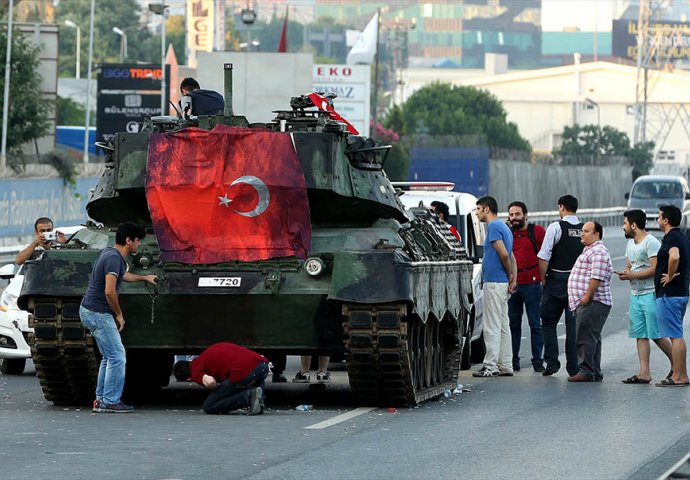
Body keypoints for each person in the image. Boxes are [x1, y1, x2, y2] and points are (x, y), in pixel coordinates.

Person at [79, 223, 158, 413]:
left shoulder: (111, 254)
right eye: (137, 240)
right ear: (128, 240)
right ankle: (111, 401)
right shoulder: (115, 259)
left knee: (108, 357)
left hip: (91, 311)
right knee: (117, 357)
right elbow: (109, 291)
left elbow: (123, 276)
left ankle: (102, 400)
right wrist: (119, 314)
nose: (139, 244)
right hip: (98, 313)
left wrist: (144, 277)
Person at [617, 209, 672, 384]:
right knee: (640, 334)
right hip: (635, 294)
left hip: (650, 293)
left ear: (633, 225)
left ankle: (677, 365)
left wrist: (632, 275)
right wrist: (626, 273)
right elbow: (630, 266)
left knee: (655, 333)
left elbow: (656, 268)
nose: (623, 227)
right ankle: (644, 372)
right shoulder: (630, 244)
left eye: (625, 223)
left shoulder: (651, 242)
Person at [538, 194, 584, 377]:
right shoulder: (585, 229)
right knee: (573, 327)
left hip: (557, 281)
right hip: (578, 283)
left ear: (562, 207)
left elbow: (544, 256)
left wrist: (543, 278)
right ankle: (574, 367)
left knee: (548, 322)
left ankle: (552, 361)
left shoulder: (556, 227)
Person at [472, 196, 516, 377]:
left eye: (478, 209)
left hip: (495, 281)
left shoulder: (494, 227)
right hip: (502, 282)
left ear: (487, 209)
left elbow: (504, 254)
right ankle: (505, 365)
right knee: (503, 325)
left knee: (491, 325)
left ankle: (490, 366)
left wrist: (508, 274)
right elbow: (512, 256)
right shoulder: (505, 227)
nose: (477, 213)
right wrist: (513, 278)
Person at [566, 221, 613, 382]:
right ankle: (594, 370)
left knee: (585, 336)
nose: (582, 234)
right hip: (589, 302)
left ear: (596, 234)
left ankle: (586, 370)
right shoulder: (589, 250)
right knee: (592, 336)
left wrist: (587, 296)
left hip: (593, 301)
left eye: (586, 231)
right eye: (582, 231)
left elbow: (596, 276)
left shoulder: (598, 251)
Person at [173, 342, 268, 415]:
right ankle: (260, 401)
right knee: (251, 377)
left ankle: (248, 397)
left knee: (209, 406)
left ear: (188, 379)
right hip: (262, 365)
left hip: (244, 373)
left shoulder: (195, 371)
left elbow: (211, 382)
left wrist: (215, 388)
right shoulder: (204, 356)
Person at [507, 201, 546, 372]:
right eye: (511, 214)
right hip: (513, 285)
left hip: (532, 284)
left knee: (535, 324)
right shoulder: (507, 233)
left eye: (517, 214)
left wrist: (544, 278)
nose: (514, 218)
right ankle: (513, 360)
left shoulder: (537, 232)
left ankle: (537, 360)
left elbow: (546, 254)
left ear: (525, 215)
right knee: (513, 325)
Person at [653, 205, 690, 387]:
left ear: (666, 220)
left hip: (670, 294)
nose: (657, 220)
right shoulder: (682, 236)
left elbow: (674, 257)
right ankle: (682, 374)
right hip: (680, 292)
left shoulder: (672, 237)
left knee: (675, 335)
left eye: (659, 217)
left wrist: (669, 274)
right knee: (677, 333)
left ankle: (677, 376)